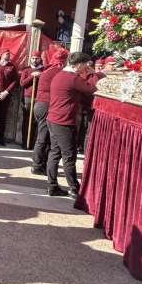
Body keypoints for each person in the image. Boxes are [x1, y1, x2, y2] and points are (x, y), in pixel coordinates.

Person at [45, 52, 108, 197]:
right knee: (69, 156)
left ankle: (52, 186)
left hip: (53, 118)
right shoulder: (73, 78)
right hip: (63, 121)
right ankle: (74, 189)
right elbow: (92, 88)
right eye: (85, 65)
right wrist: (95, 73)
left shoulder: (60, 74)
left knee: (55, 152)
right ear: (79, 65)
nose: (86, 68)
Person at [30, 50, 68, 175]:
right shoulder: (58, 72)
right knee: (43, 136)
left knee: (45, 136)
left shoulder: (48, 70)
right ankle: (37, 165)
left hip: (41, 105)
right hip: (46, 105)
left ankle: (41, 163)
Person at [20, 51, 45, 150]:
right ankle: (24, 142)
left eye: (36, 58)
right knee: (27, 119)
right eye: (33, 58)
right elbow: (23, 83)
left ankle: (31, 143)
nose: (35, 60)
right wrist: (32, 76)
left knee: (35, 120)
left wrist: (40, 75)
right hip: (28, 97)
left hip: (39, 98)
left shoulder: (44, 70)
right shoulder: (26, 70)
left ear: (40, 59)